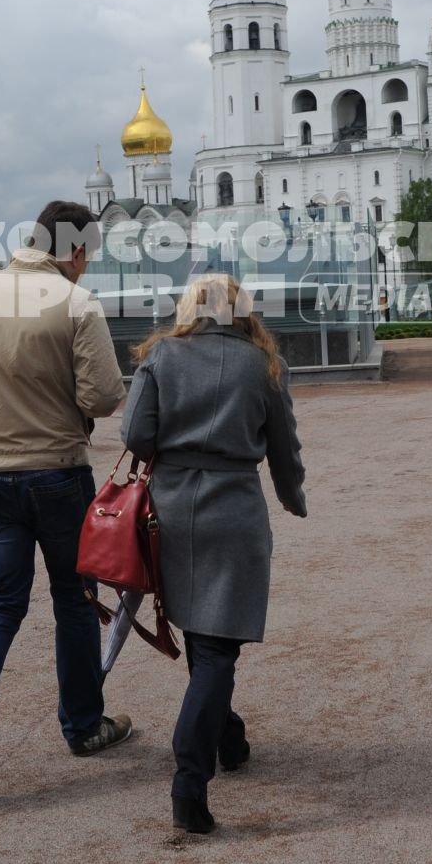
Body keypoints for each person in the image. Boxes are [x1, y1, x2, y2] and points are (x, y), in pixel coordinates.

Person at [0, 201, 133, 801]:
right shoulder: (75, 303)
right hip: (58, 473)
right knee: (75, 599)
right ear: (74, 250)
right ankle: (82, 725)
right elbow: (102, 396)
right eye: (87, 256)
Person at [121, 274, 306, 835]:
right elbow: (284, 446)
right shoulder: (262, 364)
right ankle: (188, 778)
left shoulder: (161, 356)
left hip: (170, 511)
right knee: (218, 645)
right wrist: (292, 495)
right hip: (235, 510)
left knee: (206, 638)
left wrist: (172, 452)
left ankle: (227, 735)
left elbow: (134, 433)